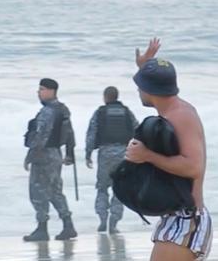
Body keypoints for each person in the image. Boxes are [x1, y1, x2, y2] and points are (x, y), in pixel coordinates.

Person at [125, 38, 218, 261]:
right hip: (188, 219)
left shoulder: (181, 116)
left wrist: (147, 155)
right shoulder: (172, 108)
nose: (138, 91)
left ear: (150, 90)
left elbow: (193, 166)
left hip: (185, 220)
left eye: (140, 85)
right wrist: (144, 66)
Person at [23, 78, 78, 242]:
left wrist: (30, 156)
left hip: (44, 155)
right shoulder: (63, 109)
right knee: (55, 192)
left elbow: (41, 136)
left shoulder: (48, 111)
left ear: (51, 91)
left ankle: (42, 229)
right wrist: (69, 153)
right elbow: (70, 133)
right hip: (56, 155)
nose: (39, 93)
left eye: (41, 89)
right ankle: (68, 225)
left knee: (38, 192)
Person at [86, 86, 139, 234]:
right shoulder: (127, 112)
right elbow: (138, 131)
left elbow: (91, 134)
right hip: (123, 154)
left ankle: (102, 219)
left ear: (105, 97)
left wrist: (88, 154)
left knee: (102, 188)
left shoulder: (100, 112)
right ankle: (114, 223)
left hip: (105, 154)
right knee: (119, 189)